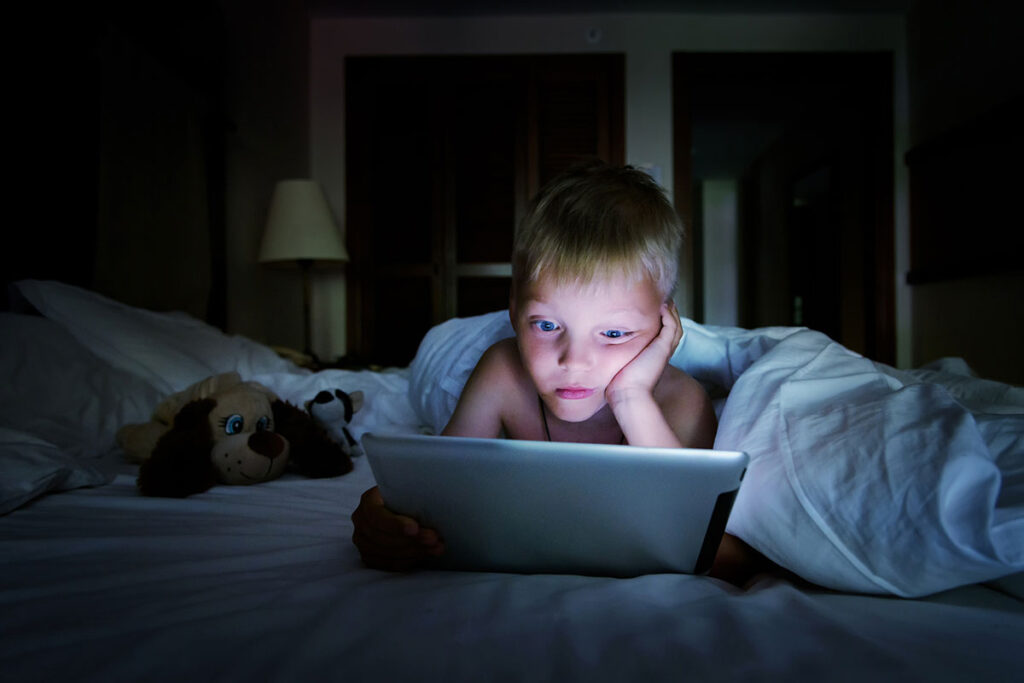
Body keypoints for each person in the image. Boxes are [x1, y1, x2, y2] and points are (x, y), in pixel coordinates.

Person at [352, 161, 768, 584]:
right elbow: (434, 490)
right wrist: (381, 515)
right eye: (547, 325)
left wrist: (631, 398)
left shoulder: (683, 402)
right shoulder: (502, 372)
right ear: (514, 312)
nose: (574, 361)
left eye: (613, 332)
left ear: (663, 327)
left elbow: (717, 549)